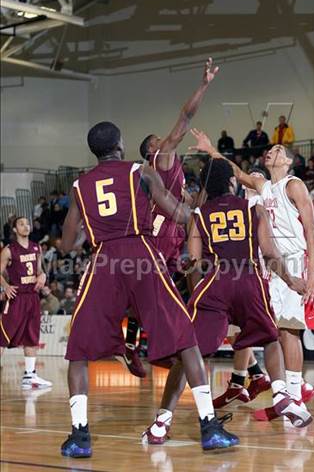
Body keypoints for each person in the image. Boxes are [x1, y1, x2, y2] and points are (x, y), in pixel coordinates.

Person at [60, 121, 237, 458]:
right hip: (142, 255)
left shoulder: (79, 186)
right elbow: (182, 215)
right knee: (185, 338)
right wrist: (195, 204)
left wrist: (92, 227)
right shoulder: (140, 172)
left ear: (95, 151)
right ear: (121, 144)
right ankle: (209, 427)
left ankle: (80, 435)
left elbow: (68, 243)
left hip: (103, 260)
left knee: (78, 349)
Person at [142, 159, 312, 444]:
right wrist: (292, 281)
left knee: (188, 352)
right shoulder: (253, 208)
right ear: (232, 183)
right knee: (270, 339)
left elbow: (194, 263)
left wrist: (195, 293)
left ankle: (162, 422)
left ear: (207, 187)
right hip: (249, 279)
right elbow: (270, 253)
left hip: (216, 283)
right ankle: (281, 394)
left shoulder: (198, 213)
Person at [190, 129, 314, 412]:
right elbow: (231, 172)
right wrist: (210, 150)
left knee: (289, 329)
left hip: (301, 258)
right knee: (275, 328)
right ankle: (285, 392)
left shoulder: (294, 185)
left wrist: (312, 272)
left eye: (279, 150)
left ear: (288, 162)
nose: (272, 151)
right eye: (271, 149)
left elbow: (311, 230)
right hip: (276, 262)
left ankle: (293, 397)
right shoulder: (261, 185)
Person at [128, 59, 219, 359]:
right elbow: (184, 119)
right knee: (165, 294)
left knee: (165, 290)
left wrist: (209, 180)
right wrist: (204, 85)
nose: (164, 140)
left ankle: (140, 339)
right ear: (151, 151)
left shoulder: (174, 170)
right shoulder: (160, 159)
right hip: (158, 238)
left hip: (171, 237)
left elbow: (191, 208)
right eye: (157, 140)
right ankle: (168, 343)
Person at [0, 217, 52, 389]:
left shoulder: (36, 248)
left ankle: (30, 376)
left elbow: (39, 270)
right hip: (17, 297)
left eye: (27, 223)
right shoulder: (9, 250)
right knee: (3, 337)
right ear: (15, 229)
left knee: (31, 336)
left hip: (32, 297)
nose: (26, 226)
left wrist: (43, 275)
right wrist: (6, 286)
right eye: (21, 224)